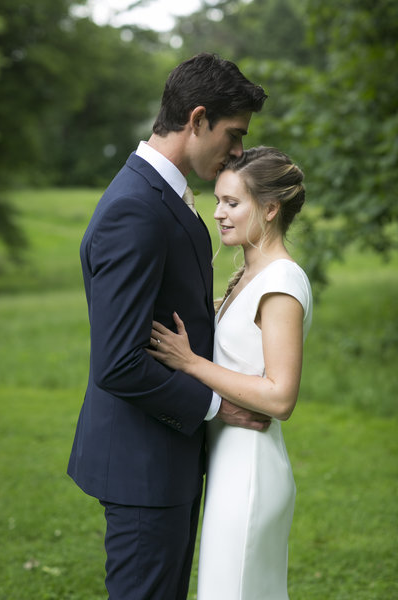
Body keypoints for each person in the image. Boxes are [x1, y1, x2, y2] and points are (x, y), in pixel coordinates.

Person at [67, 53, 268, 600]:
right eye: (233, 133)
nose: (238, 150)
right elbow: (119, 361)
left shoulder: (161, 193)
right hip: (143, 467)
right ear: (197, 119)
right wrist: (217, 407)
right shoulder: (135, 208)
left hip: (164, 460)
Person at [149, 146, 313, 599]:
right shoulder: (248, 273)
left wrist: (190, 363)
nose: (219, 213)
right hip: (227, 463)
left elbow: (280, 397)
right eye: (217, 200)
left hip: (251, 472)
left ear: (271, 207)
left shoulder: (280, 284)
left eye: (232, 203)